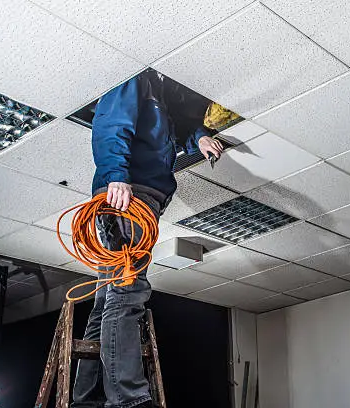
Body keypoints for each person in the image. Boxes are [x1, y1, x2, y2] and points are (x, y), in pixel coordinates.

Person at [71, 69, 225, 408]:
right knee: (128, 295)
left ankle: (85, 398)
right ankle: (127, 399)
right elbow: (111, 122)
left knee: (109, 299)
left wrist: (197, 138)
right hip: (128, 198)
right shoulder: (134, 77)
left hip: (140, 199)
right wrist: (115, 175)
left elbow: (167, 138)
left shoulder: (160, 96)